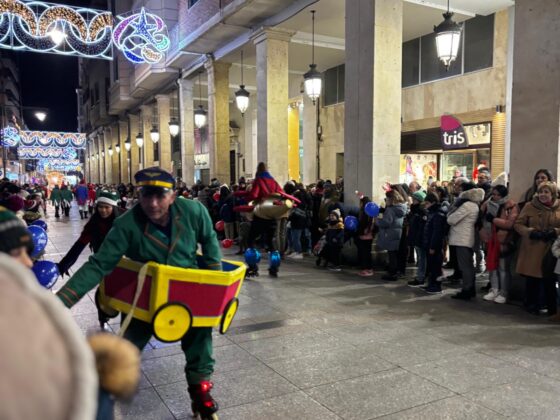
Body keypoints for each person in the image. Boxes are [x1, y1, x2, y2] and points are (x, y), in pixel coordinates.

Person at [56, 167, 223, 419]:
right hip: (145, 297)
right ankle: (101, 399)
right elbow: (99, 264)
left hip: (187, 291)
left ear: (173, 194)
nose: (153, 204)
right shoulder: (126, 224)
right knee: (127, 348)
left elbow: (211, 249)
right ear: (138, 194)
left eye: (161, 195)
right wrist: (59, 303)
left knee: (200, 339)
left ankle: (200, 392)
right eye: (146, 195)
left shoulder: (194, 211)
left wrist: (214, 291)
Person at [57, 190, 121, 328]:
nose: (103, 210)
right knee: (104, 292)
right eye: (100, 207)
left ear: (113, 207)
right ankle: (103, 318)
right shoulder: (94, 222)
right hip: (102, 263)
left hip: (123, 264)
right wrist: (63, 264)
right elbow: (80, 244)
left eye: (107, 207)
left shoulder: (123, 221)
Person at [514, 181, 560, 316]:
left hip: (553, 248)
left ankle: (551, 307)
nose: (542, 195)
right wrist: (530, 232)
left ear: (553, 194)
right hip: (533, 247)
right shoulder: (530, 206)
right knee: (533, 279)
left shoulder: (558, 207)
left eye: (546, 192)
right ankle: (532, 304)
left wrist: (555, 231)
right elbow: (518, 224)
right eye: (540, 192)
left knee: (550, 279)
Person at [237, 162, 284, 278]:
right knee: (270, 243)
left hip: (261, 215)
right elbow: (281, 194)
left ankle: (253, 267)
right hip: (272, 216)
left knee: (250, 240)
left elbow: (254, 195)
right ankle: (274, 268)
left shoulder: (259, 180)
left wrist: (246, 196)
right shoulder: (274, 181)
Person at [479, 185, 519, 304]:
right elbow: (481, 220)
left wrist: (494, 220)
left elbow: (510, 224)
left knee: (503, 268)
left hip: (503, 240)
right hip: (490, 239)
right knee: (492, 267)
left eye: (498, 195)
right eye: (494, 194)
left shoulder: (511, 206)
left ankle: (504, 292)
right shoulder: (487, 205)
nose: (495, 197)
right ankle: (494, 289)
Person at [447, 182, 485, 300]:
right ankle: (469, 289)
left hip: (462, 238)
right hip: (464, 238)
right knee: (467, 265)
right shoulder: (474, 205)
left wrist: (451, 211)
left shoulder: (467, 205)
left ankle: (467, 289)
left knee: (466, 266)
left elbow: (451, 220)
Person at [377, 189, 407, 281]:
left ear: (391, 199)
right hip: (397, 233)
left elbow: (386, 222)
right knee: (395, 254)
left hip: (390, 233)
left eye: (387, 198)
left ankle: (392, 273)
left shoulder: (390, 209)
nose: (386, 200)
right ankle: (396, 272)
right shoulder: (401, 207)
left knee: (391, 254)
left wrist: (377, 221)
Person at [421, 193, 447, 294]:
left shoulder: (438, 214)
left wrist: (432, 246)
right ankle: (431, 284)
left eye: (427, 203)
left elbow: (437, 232)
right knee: (431, 266)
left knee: (436, 266)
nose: (426, 205)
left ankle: (436, 286)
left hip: (434, 245)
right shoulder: (432, 212)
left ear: (433, 202)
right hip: (429, 243)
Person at [407, 191, 428, 287]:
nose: (412, 200)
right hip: (416, 236)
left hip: (420, 237)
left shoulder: (421, 210)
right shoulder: (415, 210)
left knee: (422, 258)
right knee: (420, 258)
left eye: (414, 199)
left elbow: (421, 226)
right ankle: (421, 276)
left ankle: (421, 277)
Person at [356, 196, 376, 277]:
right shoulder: (372, 213)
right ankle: (369, 269)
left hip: (364, 236)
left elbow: (362, 225)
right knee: (368, 253)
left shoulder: (364, 213)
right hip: (370, 236)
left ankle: (365, 269)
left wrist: (359, 232)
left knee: (364, 253)